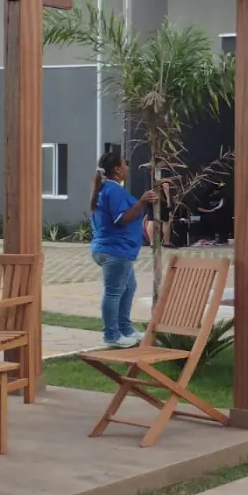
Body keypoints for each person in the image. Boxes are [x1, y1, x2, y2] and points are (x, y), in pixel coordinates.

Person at [89, 149, 157, 348]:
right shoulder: (113, 190)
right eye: (125, 164)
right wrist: (142, 201)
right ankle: (111, 335)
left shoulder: (105, 189)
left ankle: (125, 329)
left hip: (112, 249)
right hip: (115, 250)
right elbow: (122, 218)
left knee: (129, 287)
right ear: (117, 170)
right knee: (114, 292)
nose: (128, 167)